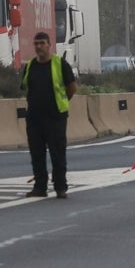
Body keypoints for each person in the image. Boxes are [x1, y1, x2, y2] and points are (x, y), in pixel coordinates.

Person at [21, 31, 79, 198]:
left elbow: (72, 87)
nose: (39, 47)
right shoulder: (30, 65)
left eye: (42, 43)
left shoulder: (60, 64)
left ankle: (61, 187)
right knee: (36, 153)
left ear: (49, 45)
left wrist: (62, 103)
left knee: (57, 152)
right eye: (36, 43)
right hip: (34, 118)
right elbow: (26, 87)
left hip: (55, 117)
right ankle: (40, 187)